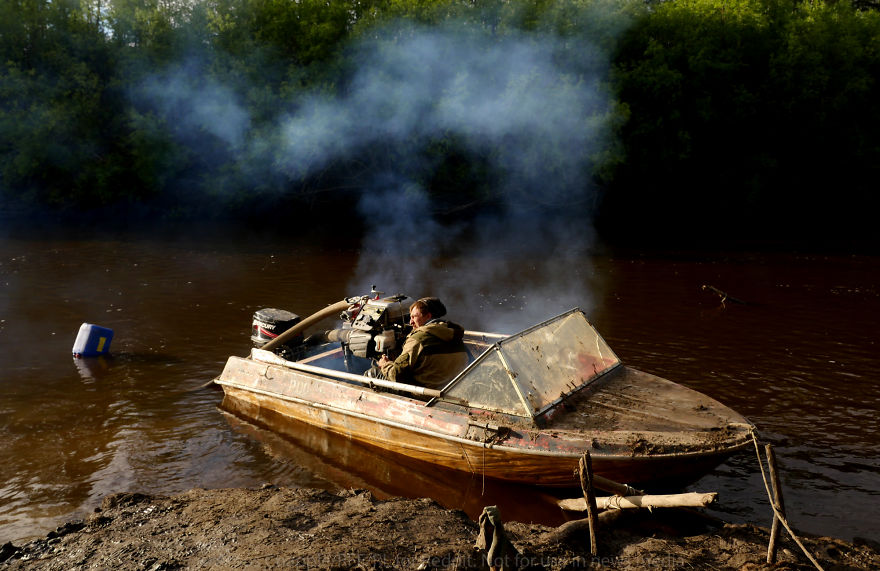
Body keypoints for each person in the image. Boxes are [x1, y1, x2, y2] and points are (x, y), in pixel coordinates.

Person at [376, 297, 468, 390]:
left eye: (414, 317)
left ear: (428, 316)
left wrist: (385, 364)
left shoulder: (417, 340)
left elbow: (396, 375)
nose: (411, 322)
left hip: (426, 395)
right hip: (453, 391)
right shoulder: (455, 335)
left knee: (373, 373)